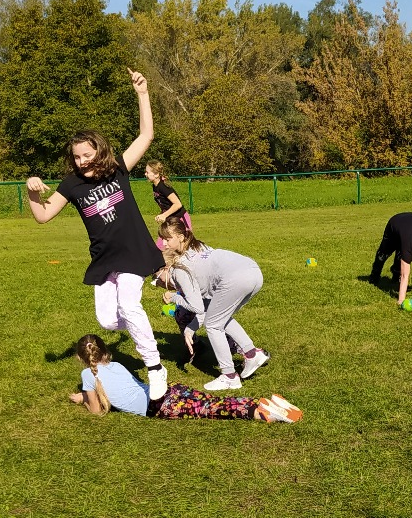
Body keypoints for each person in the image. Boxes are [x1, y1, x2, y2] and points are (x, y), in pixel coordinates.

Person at [24, 69, 169, 399]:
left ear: (99, 151)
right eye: (77, 157)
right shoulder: (71, 184)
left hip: (133, 251)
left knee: (129, 306)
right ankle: (142, 321)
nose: (82, 161)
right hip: (104, 259)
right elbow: (43, 216)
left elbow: (146, 136)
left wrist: (142, 93)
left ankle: (155, 367)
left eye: (87, 155)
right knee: (107, 320)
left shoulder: (118, 169)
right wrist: (32, 191)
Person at [69, 334, 300, 422]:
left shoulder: (87, 375)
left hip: (158, 405)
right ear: (104, 351)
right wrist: (86, 395)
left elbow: (96, 410)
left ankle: (259, 412)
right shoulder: (116, 365)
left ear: (81, 358)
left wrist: (83, 400)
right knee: (211, 401)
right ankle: (262, 402)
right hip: (166, 389)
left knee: (210, 409)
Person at [158, 217, 269, 391]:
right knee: (220, 318)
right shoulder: (199, 247)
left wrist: (173, 297)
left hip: (234, 278)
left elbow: (196, 307)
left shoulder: (180, 268)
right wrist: (190, 329)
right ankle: (251, 354)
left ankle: (229, 376)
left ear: (180, 237)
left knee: (213, 325)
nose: (164, 243)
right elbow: (205, 307)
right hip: (253, 271)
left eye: (167, 239)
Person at [144, 160, 191, 234]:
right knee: (163, 241)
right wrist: (161, 214)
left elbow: (178, 204)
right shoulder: (155, 186)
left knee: (186, 241)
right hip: (170, 220)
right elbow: (165, 203)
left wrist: (164, 215)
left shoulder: (163, 187)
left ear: (156, 174)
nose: (145, 174)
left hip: (180, 219)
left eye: (147, 172)